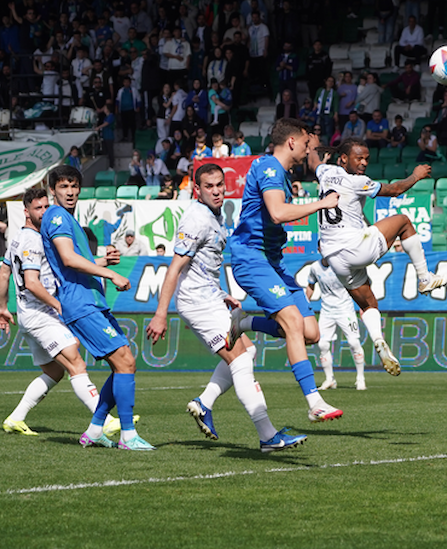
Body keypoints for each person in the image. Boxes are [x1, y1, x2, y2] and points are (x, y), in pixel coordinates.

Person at [145, 164, 305, 453]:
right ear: (198, 190)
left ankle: (204, 403)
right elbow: (175, 269)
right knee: (241, 361)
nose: (217, 191)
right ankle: (267, 436)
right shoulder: (196, 219)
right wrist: (160, 314)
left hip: (209, 297)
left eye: (220, 185)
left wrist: (222, 294)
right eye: (210, 186)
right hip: (197, 302)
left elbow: (202, 268)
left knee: (249, 351)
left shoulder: (214, 216)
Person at [224, 119, 344, 423]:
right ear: (292, 141)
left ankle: (245, 322)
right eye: (306, 144)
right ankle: (314, 402)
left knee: (310, 333)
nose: (308, 150)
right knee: (291, 321)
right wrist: (321, 204)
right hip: (251, 259)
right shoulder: (268, 168)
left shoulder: (282, 173)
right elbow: (277, 213)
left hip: (273, 264)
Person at [0, 186, 122, 439]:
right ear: (26, 210)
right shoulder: (32, 240)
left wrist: (1, 307)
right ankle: (104, 420)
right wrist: (58, 305)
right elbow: (32, 282)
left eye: (45, 207)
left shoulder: (18, 237)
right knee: (76, 361)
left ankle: (15, 418)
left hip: (28, 314)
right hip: (40, 314)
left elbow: (4, 272)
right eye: (37, 208)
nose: (43, 212)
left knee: (54, 371)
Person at [311, 139, 447, 376]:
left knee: (368, 304)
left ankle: (378, 341)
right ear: (343, 158)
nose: (364, 163)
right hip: (354, 247)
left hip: (333, 258)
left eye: (366, 159)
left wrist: (313, 147)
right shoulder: (357, 181)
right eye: (359, 158)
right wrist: (415, 175)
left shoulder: (325, 173)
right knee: (404, 221)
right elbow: (395, 190)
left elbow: (314, 161)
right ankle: (424, 277)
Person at [40, 164, 152, 450]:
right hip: (80, 302)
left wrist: (102, 262)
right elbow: (67, 259)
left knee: (123, 365)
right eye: (63, 186)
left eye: (74, 186)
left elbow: (75, 262)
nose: (70, 192)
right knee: (125, 361)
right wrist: (112, 274)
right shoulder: (56, 216)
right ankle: (128, 435)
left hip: (90, 299)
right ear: (52, 190)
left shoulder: (67, 218)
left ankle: (94, 430)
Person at [305, 254, 367, 391]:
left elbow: (359, 283)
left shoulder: (341, 265)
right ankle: (329, 379)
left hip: (346, 310)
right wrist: (305, 304)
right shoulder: (315, 267)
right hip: (327, 311)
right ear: (319, 249)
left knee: (354, 342)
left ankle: (360, 378)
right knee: (322, 344)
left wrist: (364, 305)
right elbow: (310, 285)